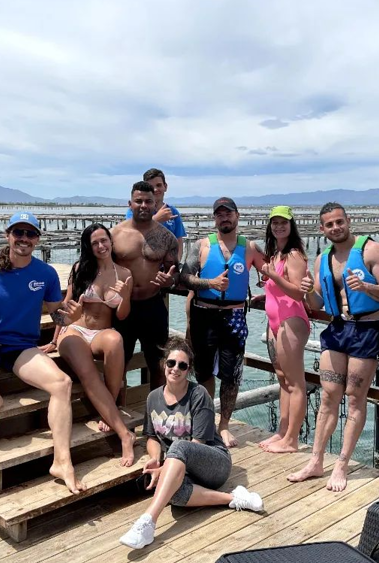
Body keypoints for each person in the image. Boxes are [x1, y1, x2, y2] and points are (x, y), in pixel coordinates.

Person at [0, 211, 85, 494]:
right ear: (7, 235)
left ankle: (62, 461)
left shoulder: (45, 273)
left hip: (22, 349)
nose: (24, 239)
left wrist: (70, 318)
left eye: (30, 234)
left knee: (62, 384)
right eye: (19, 233)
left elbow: (55, 316)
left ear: (37, 239)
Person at [288, 202, 379, 492]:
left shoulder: (372, 251)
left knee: (354, 398)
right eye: (329, 224)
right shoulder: (323, 258)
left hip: (367, 328)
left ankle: (342, 464)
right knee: (328, 396)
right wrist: (304, 293)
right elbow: (317, 304)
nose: (335, 228)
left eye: (339, 222)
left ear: (348, 221)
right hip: (337, 329)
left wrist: (367, 289)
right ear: (321, 229)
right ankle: (315, 460)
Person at [119, 337, 263, 550]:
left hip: (213, 462)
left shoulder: (198, 395)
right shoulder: (153, 398)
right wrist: (154, 458)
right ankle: (233, 498)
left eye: (182, 365)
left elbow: (197, 443)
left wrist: (165, 467)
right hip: (179, 465)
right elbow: (151, 436)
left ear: (188, 370)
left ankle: (148, 521)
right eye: (171, 363)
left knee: (178, 447)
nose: (175, 369)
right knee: (174, 494)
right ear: (164, 364)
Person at [40, 223, 136, 467]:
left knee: (116, 340)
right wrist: (54, 338)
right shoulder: (80, 269)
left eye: (104, 240)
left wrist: (124, 298)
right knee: (89, 374)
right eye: (95, 243)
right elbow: (64, 308)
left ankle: (108, 409)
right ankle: (124, 433)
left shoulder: (124, 274)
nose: (101, 246)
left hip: (102, 331)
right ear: (89, 247)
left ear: (111, 242)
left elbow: (123, 316)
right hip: (75, 331)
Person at [179, 197, 265, 448]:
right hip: (203, 314)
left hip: (234, 316)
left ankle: (224, 425)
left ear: (237, 216)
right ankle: (204, 421)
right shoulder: (202, 245)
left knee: (232, 374)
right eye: (219, 214)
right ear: (214, 218)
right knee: (203, 371)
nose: (224, 218)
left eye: (229, 214)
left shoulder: (249, 247)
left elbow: (271, 272)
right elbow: (185, 277)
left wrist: (275, 291)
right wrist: (210, 284)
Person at [253, 206, 311, 454]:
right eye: (274, 222)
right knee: (284, 381)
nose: (279, 226)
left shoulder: (294, 254)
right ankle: (283, 431)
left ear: (291, 225)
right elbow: (278, 289)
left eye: (283, 222)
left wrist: (273, 278)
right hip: (277, 323)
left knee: (296, 383)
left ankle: (292, 440)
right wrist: (264, 290)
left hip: (292, 321)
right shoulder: (275, 254)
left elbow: (298, 291)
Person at [111, 181, 179, 389]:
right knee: (118, 363)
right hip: (124, 307)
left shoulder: (167, 237)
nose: (143, 205)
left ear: (155, 204)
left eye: (148, 201)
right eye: (138, 201)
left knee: (158, 364)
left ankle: (156, 413)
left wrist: (170, 281)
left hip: (153, 305)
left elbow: (174, 273)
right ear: (129, 203)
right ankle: (116, 409)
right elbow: (100, 270)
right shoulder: (114, 235)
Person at [125, 168, 187, 261]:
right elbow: (130, 235)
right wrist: (156, 219)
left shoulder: (173, 212)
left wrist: (175, 266)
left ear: (165, 187)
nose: (155, 189)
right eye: (151, 186)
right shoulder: (134, 210)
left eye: (159, 185)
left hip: (166, 269)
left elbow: (179, 241)